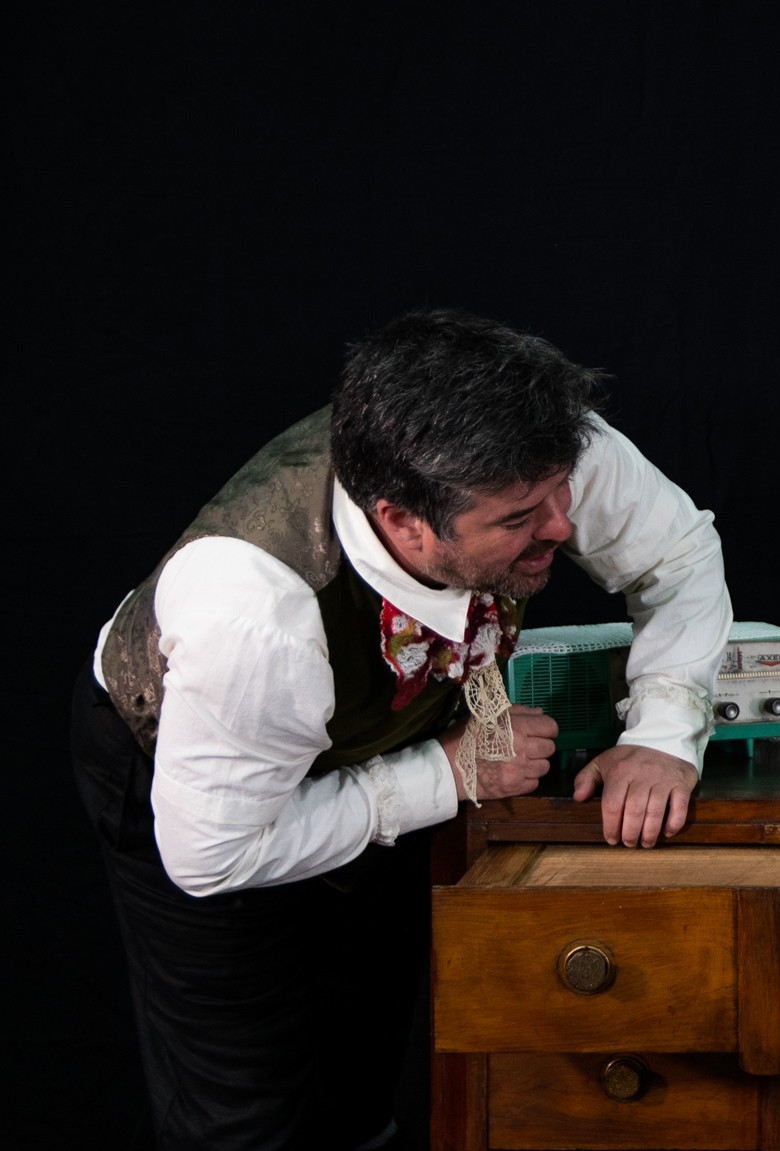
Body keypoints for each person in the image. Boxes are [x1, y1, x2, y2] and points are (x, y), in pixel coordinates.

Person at [71, 307, 733, 1150]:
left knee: (362, 1071)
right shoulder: (254, 617)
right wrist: (446, 774)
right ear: (402, 519)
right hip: (205, 781)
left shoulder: (536, 443)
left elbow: (675, 554)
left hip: (400, 737)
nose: (562, 525)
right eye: (519, 519)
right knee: (243, 1113)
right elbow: (213, 855)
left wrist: (664, 733)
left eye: (560, 490)